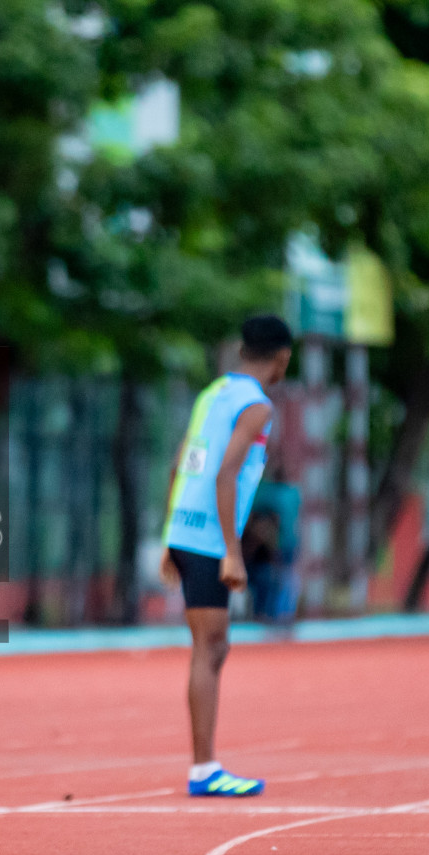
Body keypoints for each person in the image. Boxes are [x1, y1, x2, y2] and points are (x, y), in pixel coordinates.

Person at [160, 315, 293, 797]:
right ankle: (203, 769)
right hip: (211, 538)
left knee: (211, 646)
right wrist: (232, 554)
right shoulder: (257, 406)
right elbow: (223, 474)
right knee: (210, 647)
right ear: (282, 357)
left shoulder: (214, 393)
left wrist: (167, 537)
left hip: (186, 528)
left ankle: (204, 766)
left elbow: (182, 462)